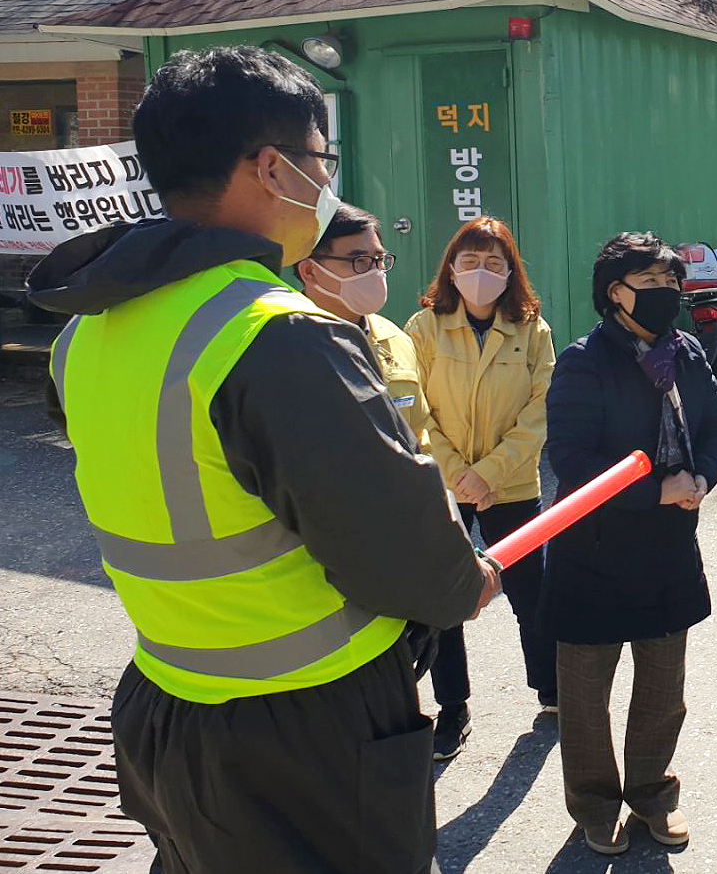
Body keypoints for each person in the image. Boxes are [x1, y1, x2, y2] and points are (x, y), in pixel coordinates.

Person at [29, 45, 498, 874]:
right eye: (322, 159)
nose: (326, 182)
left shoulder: (84, 335)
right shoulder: (276, 335)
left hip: (165, 707)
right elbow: (405, 553)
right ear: (272, 168)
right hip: (309, 728)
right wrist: (465, 581)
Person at [542, 231, 717, 855]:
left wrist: (700, 476)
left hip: (668, 548)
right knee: (585, 695)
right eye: (649, 284)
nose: (665, 295)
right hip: (592, 552)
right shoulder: (582, 361)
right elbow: (571, 460)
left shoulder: (687, 354)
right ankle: (594, 805)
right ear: (613, 292)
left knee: (661, 690)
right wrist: (655, 489)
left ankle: (651, 795)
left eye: (669, 283)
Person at [406, 216, 558, 760]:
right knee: (447, 599)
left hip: (511, 485)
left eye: (495, 263)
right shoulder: (423, 329)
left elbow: (539, 412)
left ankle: (551, 688)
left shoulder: (532, 331)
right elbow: (414, 413)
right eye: (469, 261)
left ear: (511, 273)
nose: (481, 273)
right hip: (444, 487)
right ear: (450, 268)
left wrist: (488, 474)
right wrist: (458, 476)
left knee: (530, 591)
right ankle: (453, 707)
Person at [295, 203, 425, 436]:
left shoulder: (397, 340)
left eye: (379, 259)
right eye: (360, 261)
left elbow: (419, 433)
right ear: (309, 271)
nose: (375, 272)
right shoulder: (283, 340)